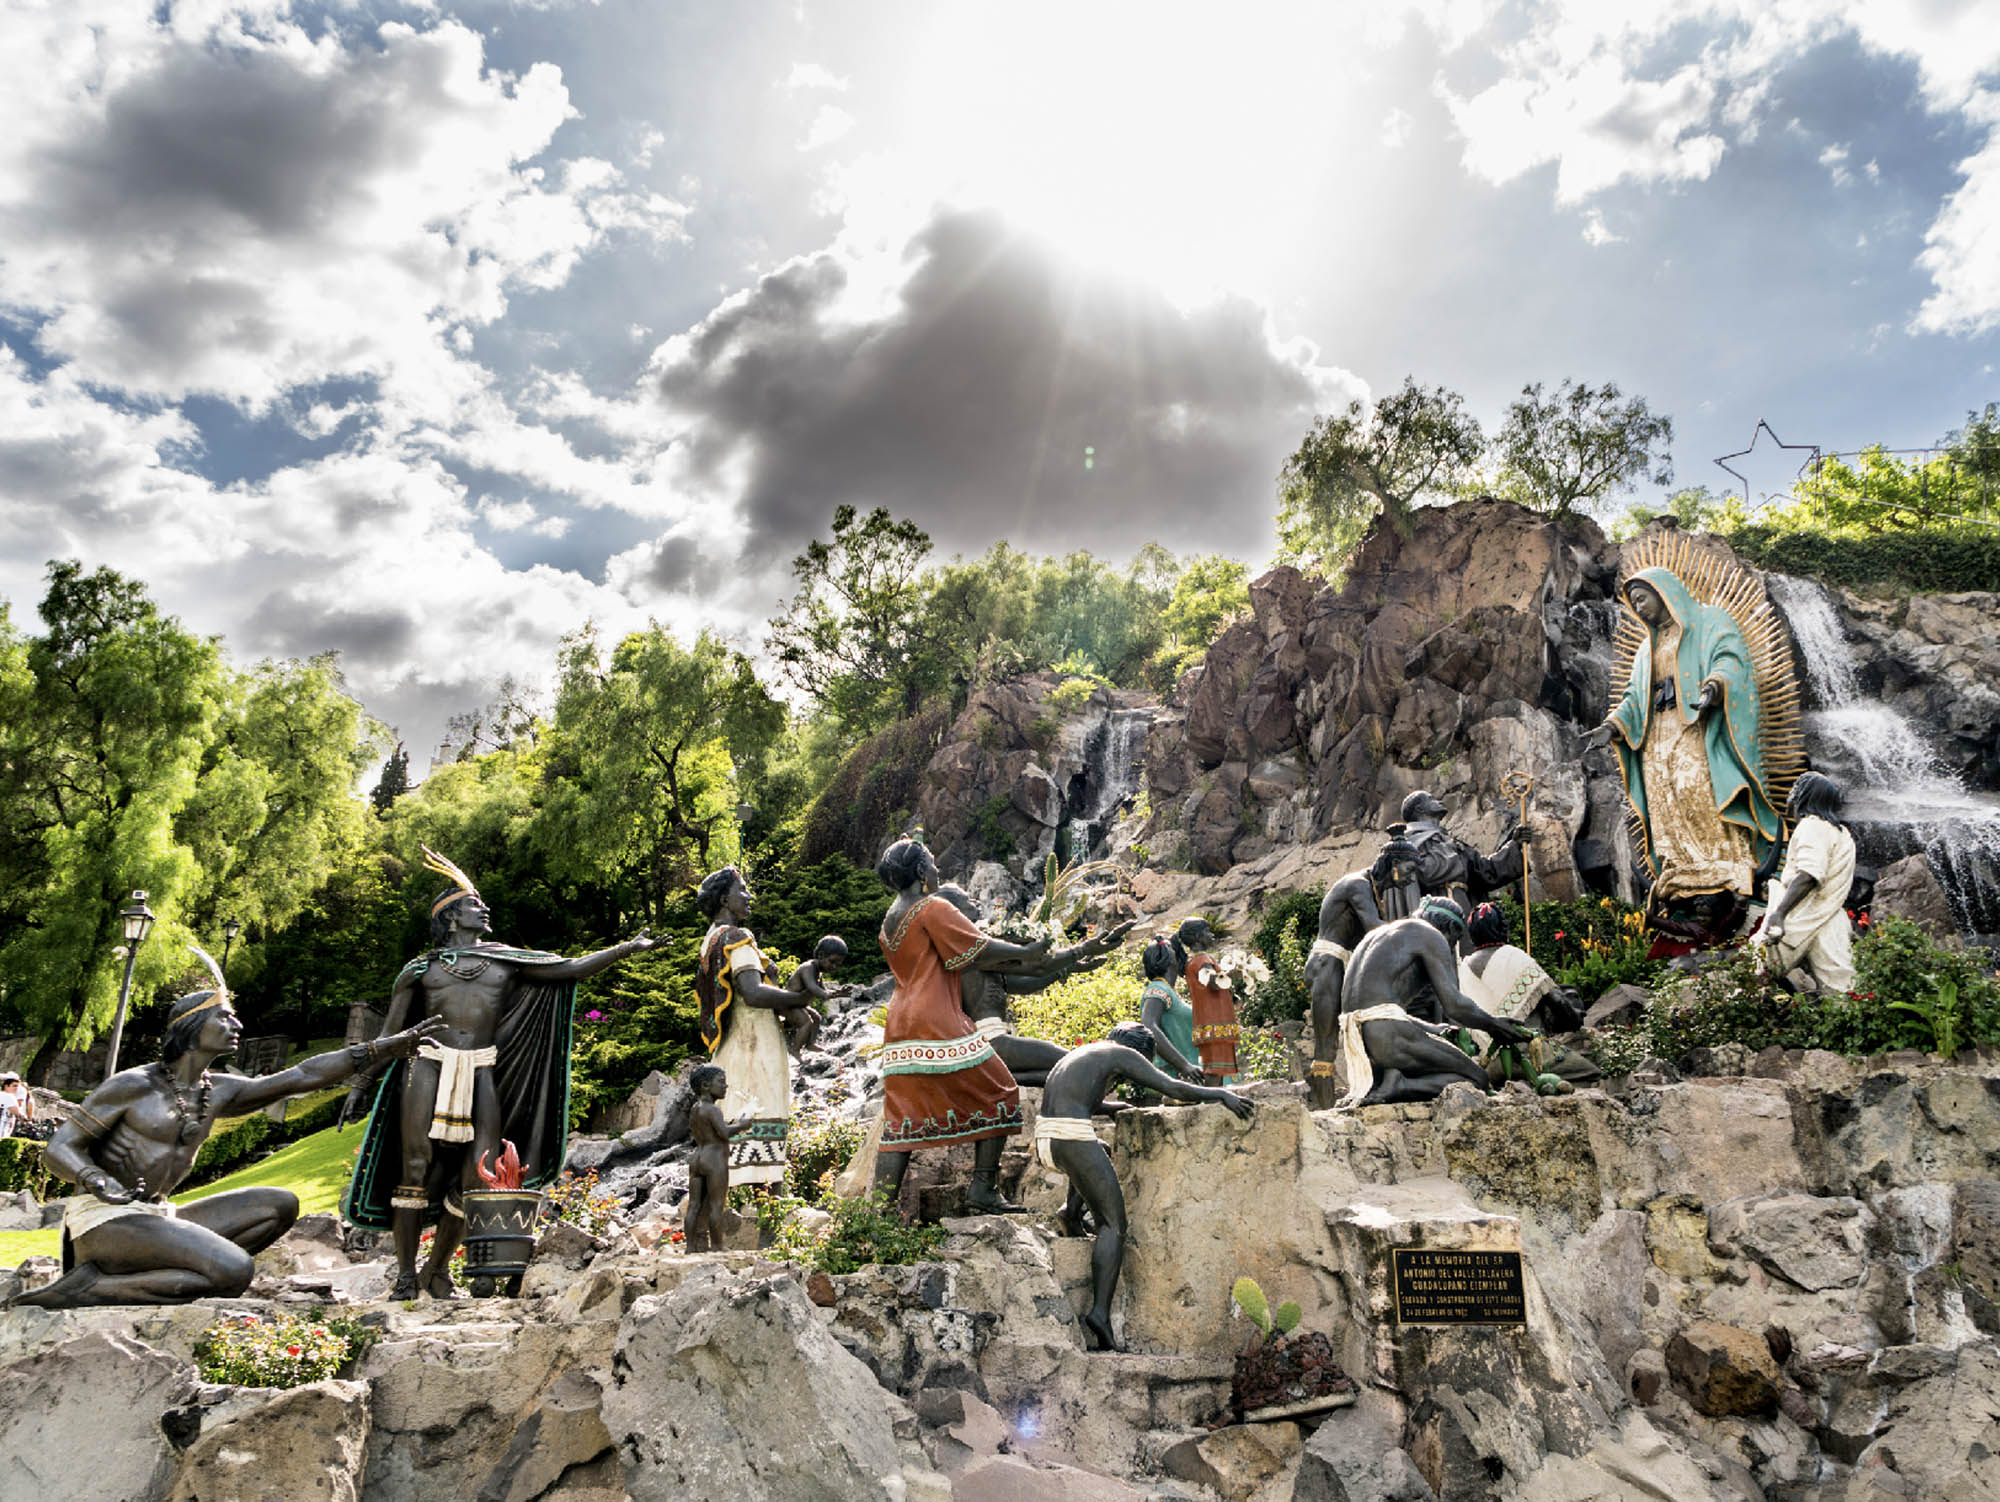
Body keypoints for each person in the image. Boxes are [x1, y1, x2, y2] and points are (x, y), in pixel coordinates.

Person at [13, 948, 442, 1308]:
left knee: (278, 1204)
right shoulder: (132, 1085)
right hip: (104, 1221)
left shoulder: (218, 1091)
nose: (237, 1026)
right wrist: (96, 1179)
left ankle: (175, 1274)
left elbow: (303, 1076)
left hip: (157, 1216)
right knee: (235, 1269)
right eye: (225, 1018)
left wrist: (383, 1048)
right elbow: (59, 1148)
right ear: (192, 1028)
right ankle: (92, 1287)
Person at [342, 847, 657, 1300]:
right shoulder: (420, 970)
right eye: (474, 904)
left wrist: (625, 948)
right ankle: (406, 1276)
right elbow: (390, 1037)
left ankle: (437, 1269)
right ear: (451, 918)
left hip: (482, 1070)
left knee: (481, 1174)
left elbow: (568, 970)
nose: (484, 908)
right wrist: (361, 1085)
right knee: (414, 1168)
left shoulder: (507, 960)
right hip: (426, 1066)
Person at [1035, 1038, 1254, 1350]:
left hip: (1046, 1139)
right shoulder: (1123, 1054)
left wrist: (1109, 1107)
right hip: (1071, 1137)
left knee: (1101, 1150)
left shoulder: (1086, 1054)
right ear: (1139, 1052)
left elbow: (1076, 1096)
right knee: (1113, 1225)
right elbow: (1173, 1088)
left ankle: (1070, 1214)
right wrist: (1219, 1093)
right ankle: (1100, 1314)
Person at [1585, 568, 1784, 911]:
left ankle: (1723, 868)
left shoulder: (1708, 621)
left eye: (1643, 598)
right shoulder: (1646, 650)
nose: (1639, 606)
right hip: (1655, 737)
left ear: (1664, 592)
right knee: (1664, 799)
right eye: (1634, 602)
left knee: (1694, 786)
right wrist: (1613, 726)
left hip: (1694, 724)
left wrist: (1714, 685)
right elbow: (1635, 697)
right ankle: (1681, 875)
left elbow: (1731, 658)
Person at [874, 838, 1051, 1215]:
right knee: (1001, 1091)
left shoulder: (890, 921)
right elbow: (979, 950)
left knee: (901, 1120)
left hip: (899, 1027)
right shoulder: (932, 908)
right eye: (933, 864)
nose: (938, 871)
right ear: (922, 871)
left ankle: (874, 1216)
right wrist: (1024, 952)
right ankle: (983, 1188)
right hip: (936, 1018)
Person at [1335, 898, 1532, 1107]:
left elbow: (1377, 1009)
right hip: (1386, 1039)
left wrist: (1434, 1028)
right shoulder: (1430, 934)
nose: (1449, 948)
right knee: (1478, 1079)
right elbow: (1454, 1005)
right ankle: (1400, 1085)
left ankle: (1389, 1078)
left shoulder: (1378, 935)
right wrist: (1494, 1025)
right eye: (1453, 941)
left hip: (1357, 1041)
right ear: (1451, 928)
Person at [937, 882, 1136, 1088]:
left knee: (1060, 1072)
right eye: (968, 900)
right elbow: (1036, 967)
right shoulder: (966, 951)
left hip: (992, 1044)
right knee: (1080, 1063)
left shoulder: (970, 951)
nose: (976, 902)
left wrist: (1069, 968)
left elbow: (1024, 983)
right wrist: (1082, 950)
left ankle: (1007, 1081)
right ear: (954, 911)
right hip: (990, 1043)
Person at [694, 866, 800, 1190]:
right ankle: (771, 1229)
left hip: (730, 1050)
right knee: (766, 1125)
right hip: (756, 1046)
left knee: (737, 1133)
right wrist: (801, 998)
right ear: (725, 898)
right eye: (743, 889)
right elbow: (753, 993)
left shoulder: (710, 940)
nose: (749, 895)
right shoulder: (736, 938)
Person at [1750, 772, 1858, 993]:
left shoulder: (1812, 826)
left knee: (1754, 968)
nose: (1790, 795)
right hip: (1830, 918)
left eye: (1794, 789)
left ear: (1803, 796)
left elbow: (1809, 875)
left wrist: (1779, 913)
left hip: (1801, 918)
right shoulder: (1842, 834)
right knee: (1842, 990)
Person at [1459, 903, 1581, 1035]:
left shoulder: (1464, 967)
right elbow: (1557, 999)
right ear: (1503, 929)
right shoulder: (1512, 955)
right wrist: (1575, 1018)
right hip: (1528, 1043)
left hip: (1484, 1050)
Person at [684, 1064, 753, 1253]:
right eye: (721, 1082)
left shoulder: (695, 1108)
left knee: (694, 1205)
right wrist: (742, 1125)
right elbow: (723, 1133)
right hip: (714, 1160)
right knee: (716, 1204)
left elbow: (710, 1131)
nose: (725, 1086)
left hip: (697, 1158)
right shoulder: (713, 1109)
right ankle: (717, 1245)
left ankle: (691, 1246)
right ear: (706, 1085)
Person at [1175, 918, 1238, 1083]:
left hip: (1206, 1022)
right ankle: (1211, 1105)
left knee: (1213, 1069)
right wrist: (1238, 972)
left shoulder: (1193, 961)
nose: (1212, 936)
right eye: (1207, 932)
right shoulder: (1203, 960)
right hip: (1215, 1021)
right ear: (1197, 937)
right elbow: (1213, 982)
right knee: (1214, 1071)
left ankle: (1214, 1103)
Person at [1138, 937, 1204, 1083]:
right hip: (1178, 1078)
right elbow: (1148, 1025)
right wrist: (1184, 1066)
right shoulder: (1158, 989)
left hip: (1190, 1075)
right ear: (1169, 958)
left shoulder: (1167, 990)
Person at [779, 934, 855, 1057]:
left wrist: (838, 993)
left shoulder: (818, 973)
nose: (834, 967)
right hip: (788, 1004)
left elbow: (824, 990)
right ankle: (795, 1050)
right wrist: (826, 994)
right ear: (821, 955)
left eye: (838, 964)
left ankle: (810, 1044)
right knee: (806, 1022)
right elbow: (813, 988)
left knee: (817, 1018)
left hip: (799, 1005)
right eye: (832, 962)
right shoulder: (808, 968)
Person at [0, 1072, 30, 1140]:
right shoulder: (9, 1097)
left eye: (17, 1086)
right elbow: (17, 1112)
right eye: (14, 1086)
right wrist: (25, 1118)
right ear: (6, 1086)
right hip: (3, 1127)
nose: (16, 1088)